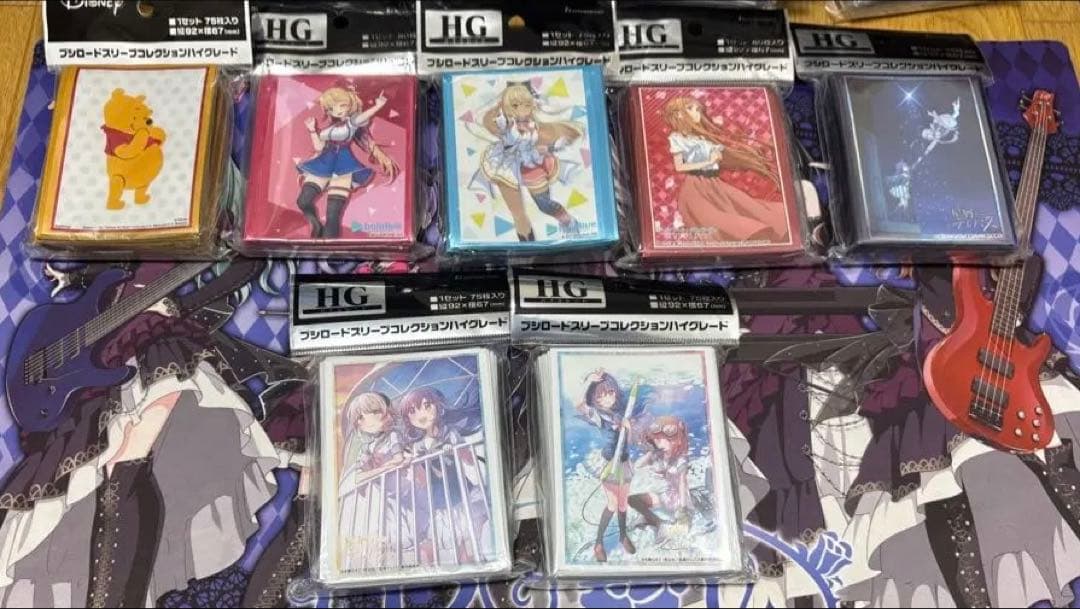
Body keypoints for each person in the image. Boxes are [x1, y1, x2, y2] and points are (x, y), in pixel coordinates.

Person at [0, 260, 309, 608]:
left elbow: (239, 271)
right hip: (103, 352)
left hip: (158, 343)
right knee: (104, 466)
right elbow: (114, 271)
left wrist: (181, 306)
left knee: (131, 452)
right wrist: (73, 277)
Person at [661, 96, 788, 244]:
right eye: (690, 108)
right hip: (696, 188)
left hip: (715, 184)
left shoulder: (701, 137)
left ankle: (780, 230)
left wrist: (720, 157)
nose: (697, 113)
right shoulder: (677, 138)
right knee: (719, 220)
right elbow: (680, 167)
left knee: (749, 207)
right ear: (678, 114)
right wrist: (709, 161)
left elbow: (719, 157)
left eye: (697, 109)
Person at [476, 83, 583, 241]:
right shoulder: (505, 124)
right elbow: (488, 122)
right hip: (507, 165)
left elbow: (546, 141)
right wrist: (500, 107)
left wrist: (550, 147)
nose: (522, 109)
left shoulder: (534, 127)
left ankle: (567, 220)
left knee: (543, 204)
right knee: (518, 214)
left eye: (526, 104)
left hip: (531, 166)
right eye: (515, 105)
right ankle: (527, 242)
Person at [296, 83, 398, 239]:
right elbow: (319, 147)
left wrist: (377, 106)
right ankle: (315, 224)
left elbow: (362, 118)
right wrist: (312, 130)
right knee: (303, 200)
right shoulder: (329, 129)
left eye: (342, 105)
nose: (338, 110)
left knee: (333, 213)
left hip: (343, 166)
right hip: (324, 163)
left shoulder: (351, 122)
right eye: (332, 108)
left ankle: (329, 247)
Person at [397, 387, 486, 566]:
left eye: (427, 406)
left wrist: (455, 450)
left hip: (458, 488)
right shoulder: (418, 445)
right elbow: (422, 478)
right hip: (438, 494)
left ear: (438, 406)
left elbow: (468, 459)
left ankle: (470, 557)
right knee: (448, 530)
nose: (421, 414)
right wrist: (413, 463)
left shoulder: (450, 432)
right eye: (413, 411)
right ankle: (440, 558)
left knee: (465, 528)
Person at [575, 370, 652, 563]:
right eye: (600, 395)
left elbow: (631, 441)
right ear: (594, 398)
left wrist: (629, 427)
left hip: (624, 462)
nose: (606, 398)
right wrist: (588, 381)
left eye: (609, 393)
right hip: (609, 463)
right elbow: (579, 405)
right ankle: (598, 543)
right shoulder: (598, 416)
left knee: (623, 503)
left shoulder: (621, 414)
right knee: (612, 503)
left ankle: (623, 536)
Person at [632, 416, 691, 531]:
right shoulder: (658, 456)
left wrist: (683, 508)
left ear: (677, 441)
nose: (660, 443)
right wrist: (651, 453)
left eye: (665, 440)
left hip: (677, 499)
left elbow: (682, 482)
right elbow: (637, 466)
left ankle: (659, 521)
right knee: (634, 499)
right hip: (663, 496)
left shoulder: (680, 460)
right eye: (657, 439)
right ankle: (652, 519)